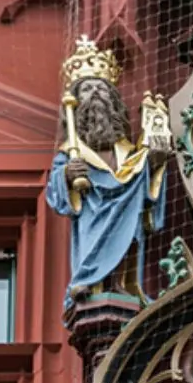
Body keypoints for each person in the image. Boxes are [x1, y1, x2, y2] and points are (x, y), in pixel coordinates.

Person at [45, 37, 170, 313]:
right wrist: (67, 175)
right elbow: (54, 192)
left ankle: (124, 286)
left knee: (128, 237)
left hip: (128, 213)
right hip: (92, 215)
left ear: (113, 101)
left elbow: (142, 177)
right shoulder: (71, 151)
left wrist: (155, 162)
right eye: (88, 88)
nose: (96, 93)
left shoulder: (128, 152)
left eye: (102, 88)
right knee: (94, 241)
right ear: (77, 103)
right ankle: (89, 281)